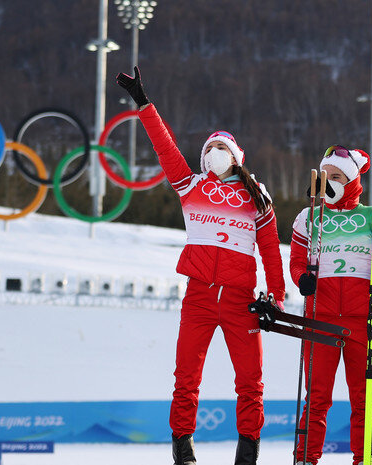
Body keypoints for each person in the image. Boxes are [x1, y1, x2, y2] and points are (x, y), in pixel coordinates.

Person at [116, 66, 285, 465]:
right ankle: (182, 446)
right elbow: (165, 147)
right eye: (208, 149)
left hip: (241, 299)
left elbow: (270, 251)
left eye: (222, 148)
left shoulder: (256, 197)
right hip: (198, 297)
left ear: (237, 157)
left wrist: (276, 294)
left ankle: (248, 450)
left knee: (250, 381)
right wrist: (143, 102)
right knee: (186, 377)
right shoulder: (191, 186)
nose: (214, 153)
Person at [288, 145, 372, 465]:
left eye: (336, 176)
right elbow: (296, 261)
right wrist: (302, 279)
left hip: (362, 319)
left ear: (351, 179)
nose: (329, 182)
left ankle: (365, 459)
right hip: (319, 317)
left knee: (364, 400)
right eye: (325, 176)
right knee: (318, 398)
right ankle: (306, 459)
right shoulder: (308, 217)